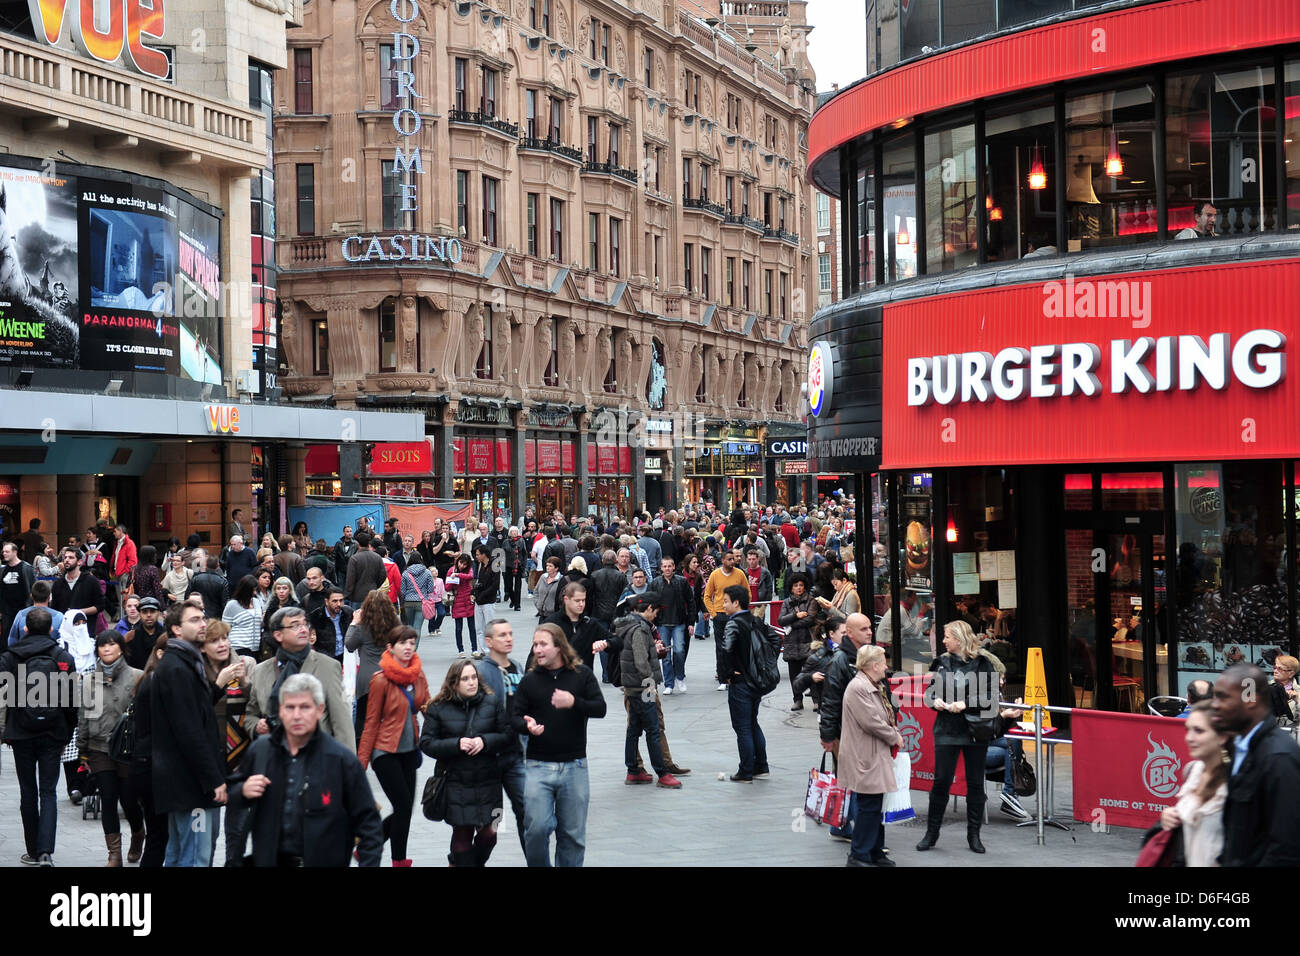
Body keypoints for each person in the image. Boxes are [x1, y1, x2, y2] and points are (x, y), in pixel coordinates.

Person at [231, 673, 383, 866]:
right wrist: (243, 790)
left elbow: (370, 826)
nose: (297, 715)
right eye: (290, 707)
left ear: (319, 710)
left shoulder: (340, 760)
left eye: (304, 707)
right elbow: (232, 794)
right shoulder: (262, 750)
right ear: (280, 711)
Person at [514, 623, 607, 867]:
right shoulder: (530, 680)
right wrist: (527, 725)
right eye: (535, 644)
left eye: (542, 644)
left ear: (559, 646)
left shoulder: (581, 674)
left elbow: (600, 708)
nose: (537, 649)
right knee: (536, 828)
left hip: (574, 766)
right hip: (538, 765)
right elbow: (512, 717)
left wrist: (574, 701)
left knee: (573, 835)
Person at [149, 601, 227, 866]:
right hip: (190, 784)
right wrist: (212, 779)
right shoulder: (178, 668)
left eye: (203, 618)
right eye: (194, 620)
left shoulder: (184, 663)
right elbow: (189, 731)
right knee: (195, 856)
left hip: (182, 782)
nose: (203, 624)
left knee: (178, 853)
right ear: (176, 629)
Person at [0, 607, 77, 865]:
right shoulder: (63, 657)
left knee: (27, 791)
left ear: (25, 628)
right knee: (49, 792)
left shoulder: (11, 657)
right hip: (53, 732)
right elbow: (71, 698)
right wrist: (67, 728)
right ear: (52, 629)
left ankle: (32, 850)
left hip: (21, 732)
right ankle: (46, 851)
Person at [916, 620, 998, 854]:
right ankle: (931, 834)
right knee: (941, 781)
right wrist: (936, 702)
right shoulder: (941, 663)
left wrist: (966, 704)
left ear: (960, 639)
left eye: (947, 637)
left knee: (974, 783)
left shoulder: (983, 663)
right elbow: (930, 694)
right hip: (946, 730)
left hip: (975, 731)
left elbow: (991, 699)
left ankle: (974, 835)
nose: (943, 641)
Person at [420, 657, 510, 866]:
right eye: (465, 679)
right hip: (456, 781)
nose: (472, 682)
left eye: (474, 678)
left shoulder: (492, 702)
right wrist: (457, 744)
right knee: (462, 835)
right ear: (454, 683)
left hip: (489, 781)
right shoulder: (438, 708)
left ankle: (461, 862)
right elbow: (426, 743)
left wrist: (485, 741)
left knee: (491, 832)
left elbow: (507, 735)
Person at [1211, 663, 1300, 866]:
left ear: (1250, 699)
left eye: (1224, 697)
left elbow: (1286, 849)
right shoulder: (1240, 747)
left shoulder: (1279, 758)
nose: (1215, 705)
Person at [357, 625, 430, 866]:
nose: (408, 647)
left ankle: (370, 843)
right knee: (402, 805)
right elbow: (370, 722)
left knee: (406, 809)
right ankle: (399, 860)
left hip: (410, 750)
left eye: (411, 642)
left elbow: (427, 705)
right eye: (403, 643)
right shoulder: (379, 680)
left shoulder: (418, 674)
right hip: (385, 751)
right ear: (390, 648)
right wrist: (361, 764)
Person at [77, 630, 145, 866]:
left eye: (111, 644)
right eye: (102, 645)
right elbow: (84, 715)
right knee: (108, 798)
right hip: (99, 748)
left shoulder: (137, 676)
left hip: (127, 749)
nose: (106, 649)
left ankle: (138, 833)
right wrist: (82, 749)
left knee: (128, 799)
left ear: (120, 648)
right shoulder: (89, 680)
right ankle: (113, 854)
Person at [246, 606, 355, 750]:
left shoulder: (328, 666)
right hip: (275, 757)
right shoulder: (260, 671)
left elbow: (342, 722)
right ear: (278, 635)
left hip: (315, 757)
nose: (304, 630)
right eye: (295, 625)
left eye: (305, 624)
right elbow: (250, 715)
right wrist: (256, 726)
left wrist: (347, 767)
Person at [840, 644, 903, 867]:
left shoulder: (870, 684)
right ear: (874, 665)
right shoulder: (859, 687)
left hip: (873, 754)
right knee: (869, 806)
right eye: (884, 662)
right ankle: (859, 854)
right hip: (865, 756)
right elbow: (871, 722)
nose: (886, 667)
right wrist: (894, 736)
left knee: (876, 806)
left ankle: (875, 851)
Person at [472, 619, 527, 853]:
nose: (508, 639)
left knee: (528, 815)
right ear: (488, 641)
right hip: (488, 760)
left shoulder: (517, 667)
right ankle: (465, 859)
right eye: (502, 635)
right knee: (490, 829)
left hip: (515, 756)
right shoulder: (480, 672)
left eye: (510, 634)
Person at [617, 594, 682, 789]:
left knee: (634, 730)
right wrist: (650, 682)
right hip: (642, 686)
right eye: (655, 611)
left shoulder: (628, 624)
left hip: (632, 685)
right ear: (648, 609)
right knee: (652, 729)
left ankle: (634, 771)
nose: (656, 615)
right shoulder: (639, 629)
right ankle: (662, 773)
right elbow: (640, 660)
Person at [720, 585, 780, 782]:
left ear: (736, 603)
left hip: (741, 683)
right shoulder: (756, 620)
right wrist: (765, 663)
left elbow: (726, 650)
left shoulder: (733, 623)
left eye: (726, 601)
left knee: (743, 727)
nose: (724, 604)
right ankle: (761, 765)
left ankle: (746, 770)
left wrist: (727, 674)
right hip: (756, 682)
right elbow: (776, 641)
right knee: (752, 723)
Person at [1159, 700, 1228, 867]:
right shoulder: (1194, 770)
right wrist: (1169, 816)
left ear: (1222, 736)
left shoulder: (1238, 780)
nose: (1189, 738)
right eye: (1188, 729)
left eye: (1198, 731)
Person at [346, 590, 400, 742]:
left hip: (366, 678)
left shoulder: (362, 628)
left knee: (363, 717)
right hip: (389, 675)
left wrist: (354, 622)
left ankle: (360, 748)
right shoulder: (396, 626)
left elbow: (349, 645)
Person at [647, 556, 695, 695]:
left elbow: (690, 602)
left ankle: (680, 677)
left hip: (679, 622)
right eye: (665, 566)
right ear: (661, 568)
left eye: (669, 566)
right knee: (665, 655)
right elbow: (650, 604)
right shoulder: (655, 583)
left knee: (680, 651)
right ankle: (669, 683)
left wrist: (691, 622)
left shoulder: (682, 581)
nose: (667, 569)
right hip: (662, 623)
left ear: (674, 567)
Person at [704, 548, 748, 691]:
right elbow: (707, 595)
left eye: (733, 559)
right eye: (729, 559)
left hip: (736, 616)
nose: (732, 561)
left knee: (738, 645)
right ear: (722, 560)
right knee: (721, 647)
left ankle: (737, 674)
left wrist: (742, 610)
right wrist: (714, 613)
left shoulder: (740, 574)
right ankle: (723, 677)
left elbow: (747, 593)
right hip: (720, 615)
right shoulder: (715, 575)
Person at [543, 582, 612, 671]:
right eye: (577, 600)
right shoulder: (552, 623)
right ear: (566, 599)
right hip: (558, 679)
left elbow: (616, 641)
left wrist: (606, 643)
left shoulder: (590, 623)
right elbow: (535, 655)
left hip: (584, 678)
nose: (581, 604)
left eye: (583, 600)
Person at [778, 572, 816, 711]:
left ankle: (816, 700)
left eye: (801, 585)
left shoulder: (811, 600)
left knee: (810, 672)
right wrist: (796, 615)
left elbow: (810, 619)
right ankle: (797, 700)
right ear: (791, 588)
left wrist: (792, 624)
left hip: (807, 641)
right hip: (792, 643)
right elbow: (781, 620)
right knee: (794, 675)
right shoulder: (787, 602)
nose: (799, 588)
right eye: (796, 586)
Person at [7, 580, 63, 647]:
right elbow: (63, 642)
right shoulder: (59, 617)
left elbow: (12, 639)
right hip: (51, 655)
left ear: (31, 596)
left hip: (25, 655)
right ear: (49, 597)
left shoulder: (21, 615)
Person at [0, 541, 36, 641]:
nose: (4, 554)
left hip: (23, 610)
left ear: (15, 552)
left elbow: (34, 588)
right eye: (3, 552)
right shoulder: (2, 570)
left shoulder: (26, 568)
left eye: (7, 551)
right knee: (6, 638)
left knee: (23, 637)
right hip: (7, 611)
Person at [309, 587, 352, 664]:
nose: (339, 604)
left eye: (341, 600)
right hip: (325, 659)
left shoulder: (348, 612)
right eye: (335, 601)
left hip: (345, 657)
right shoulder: (316, 616)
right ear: (326, 601)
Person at [344, 532, 387, 608]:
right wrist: (375, 585)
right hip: (372, 594)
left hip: (357, 597)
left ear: (358, 543)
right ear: (369, 543)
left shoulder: (354, 559)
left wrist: (347, 594)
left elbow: (350, 579)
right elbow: (383, 575)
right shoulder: (377, 557)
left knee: (358, 618)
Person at [447, 552, 478, 652]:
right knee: (458, 628)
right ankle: (461, 650)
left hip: (468, 600)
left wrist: (457, 575)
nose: (462, 565)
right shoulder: (451, 570)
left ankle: (474, 649)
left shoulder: (468, 570)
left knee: (472, 627)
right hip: (457, 600)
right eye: (461, 562)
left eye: (464, 564)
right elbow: (446, 586)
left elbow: (470, 576)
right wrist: (453, 581)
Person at [187, 556, 229, 621]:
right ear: (218, 565)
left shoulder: (196, 578)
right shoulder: (222, 581)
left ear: (205, 565)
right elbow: (224, 602)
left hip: (197, 612)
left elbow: (187, 596)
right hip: (215, 616)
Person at [471, 543, 499, 641]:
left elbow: (495, 585)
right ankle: (483, 650)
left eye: (478, 554)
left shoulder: (495, 564)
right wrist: (473, 593)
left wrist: (482, 595)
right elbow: (479, 582)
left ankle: (491, 651)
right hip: (478, 601)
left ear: (484, 554)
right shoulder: (481, 565)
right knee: (479, 628)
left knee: (490, 628)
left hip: (488, 601)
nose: (476, 556)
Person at [1269, 654, 1299, 727]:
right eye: (1275, 668)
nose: (1275, 671)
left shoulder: (1298, 692)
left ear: (1291, 674)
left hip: (1290, 734)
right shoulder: (1263, 687)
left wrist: (1298, 700)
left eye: (1279, 669)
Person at [533, 555, 564, 623]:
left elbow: (562, 597)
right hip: (542, 614)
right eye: (547, 565)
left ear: (556, 568)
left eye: (550, 566)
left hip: (554, 616)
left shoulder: (561, 580)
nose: (547, 568)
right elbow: (536, 591)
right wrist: (538, 604)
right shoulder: (543, 577)